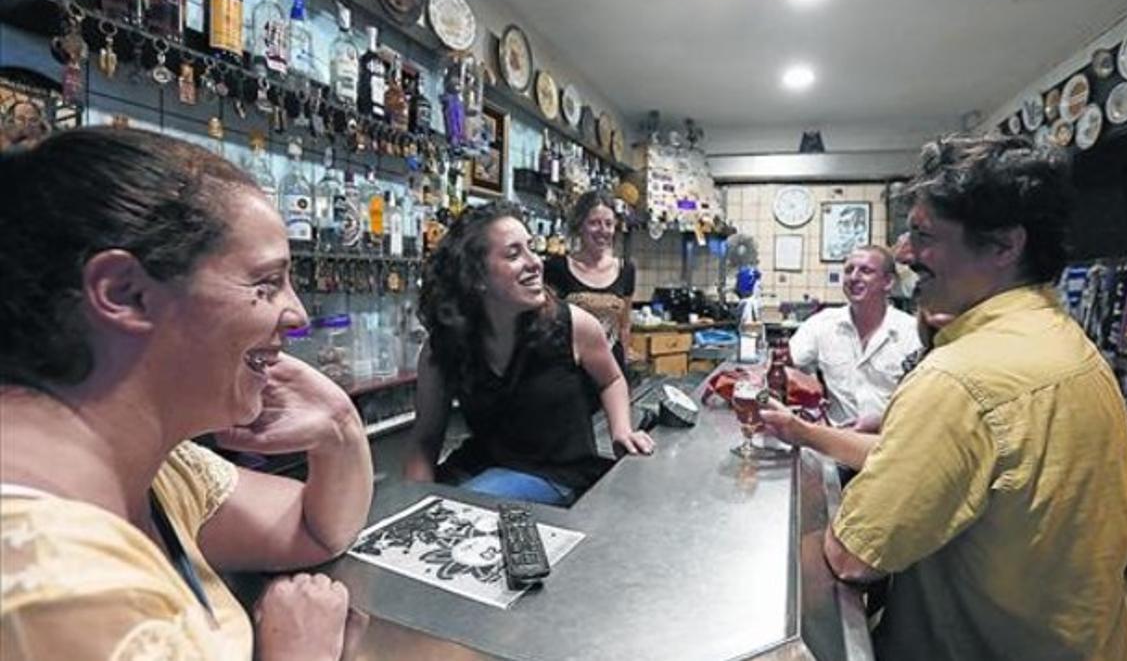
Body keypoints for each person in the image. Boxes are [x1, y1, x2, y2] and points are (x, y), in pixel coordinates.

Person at [0, 128, 373, 660]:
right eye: (266, 284)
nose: (297, 317)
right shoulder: (54, 583)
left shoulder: (160, 471)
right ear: (125, 294)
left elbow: (317, 529)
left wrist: (338, 427)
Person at [766, 134, 1127, 659]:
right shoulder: (1070, 343)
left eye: (923, 235)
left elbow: (854, 557)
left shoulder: (960, 378)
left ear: (1006, 245)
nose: (903, 253)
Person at [402, 202, 654, 506]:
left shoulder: (574, 325)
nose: (535, 263)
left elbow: (611, 379)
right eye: (513, 254)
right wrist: (412, 502)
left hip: (557, 474)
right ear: (476, 275)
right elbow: (425, 441)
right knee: (432, 512)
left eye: (531, 249)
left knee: (462, 506)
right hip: (479, 466)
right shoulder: (444, 345)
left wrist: (621, 429)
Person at [783, 245, 921, 467]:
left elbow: (924, 403)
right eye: (849, 270)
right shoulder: (822, 324)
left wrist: (883, 421)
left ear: (888, 282)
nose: (854, 277)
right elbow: (784, 366)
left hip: (894, 451)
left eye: (865, 271)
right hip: (836, 448)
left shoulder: (912, 333)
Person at [543, 190, 636, 372]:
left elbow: (624, 326)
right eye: (594, 223)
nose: (602, 230)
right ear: (579, 226)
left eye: (608, 224)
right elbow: (546, 325)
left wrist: (623, 370)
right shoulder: (557, 268)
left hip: (612, 368)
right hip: (570, 369)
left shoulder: (626, 270)